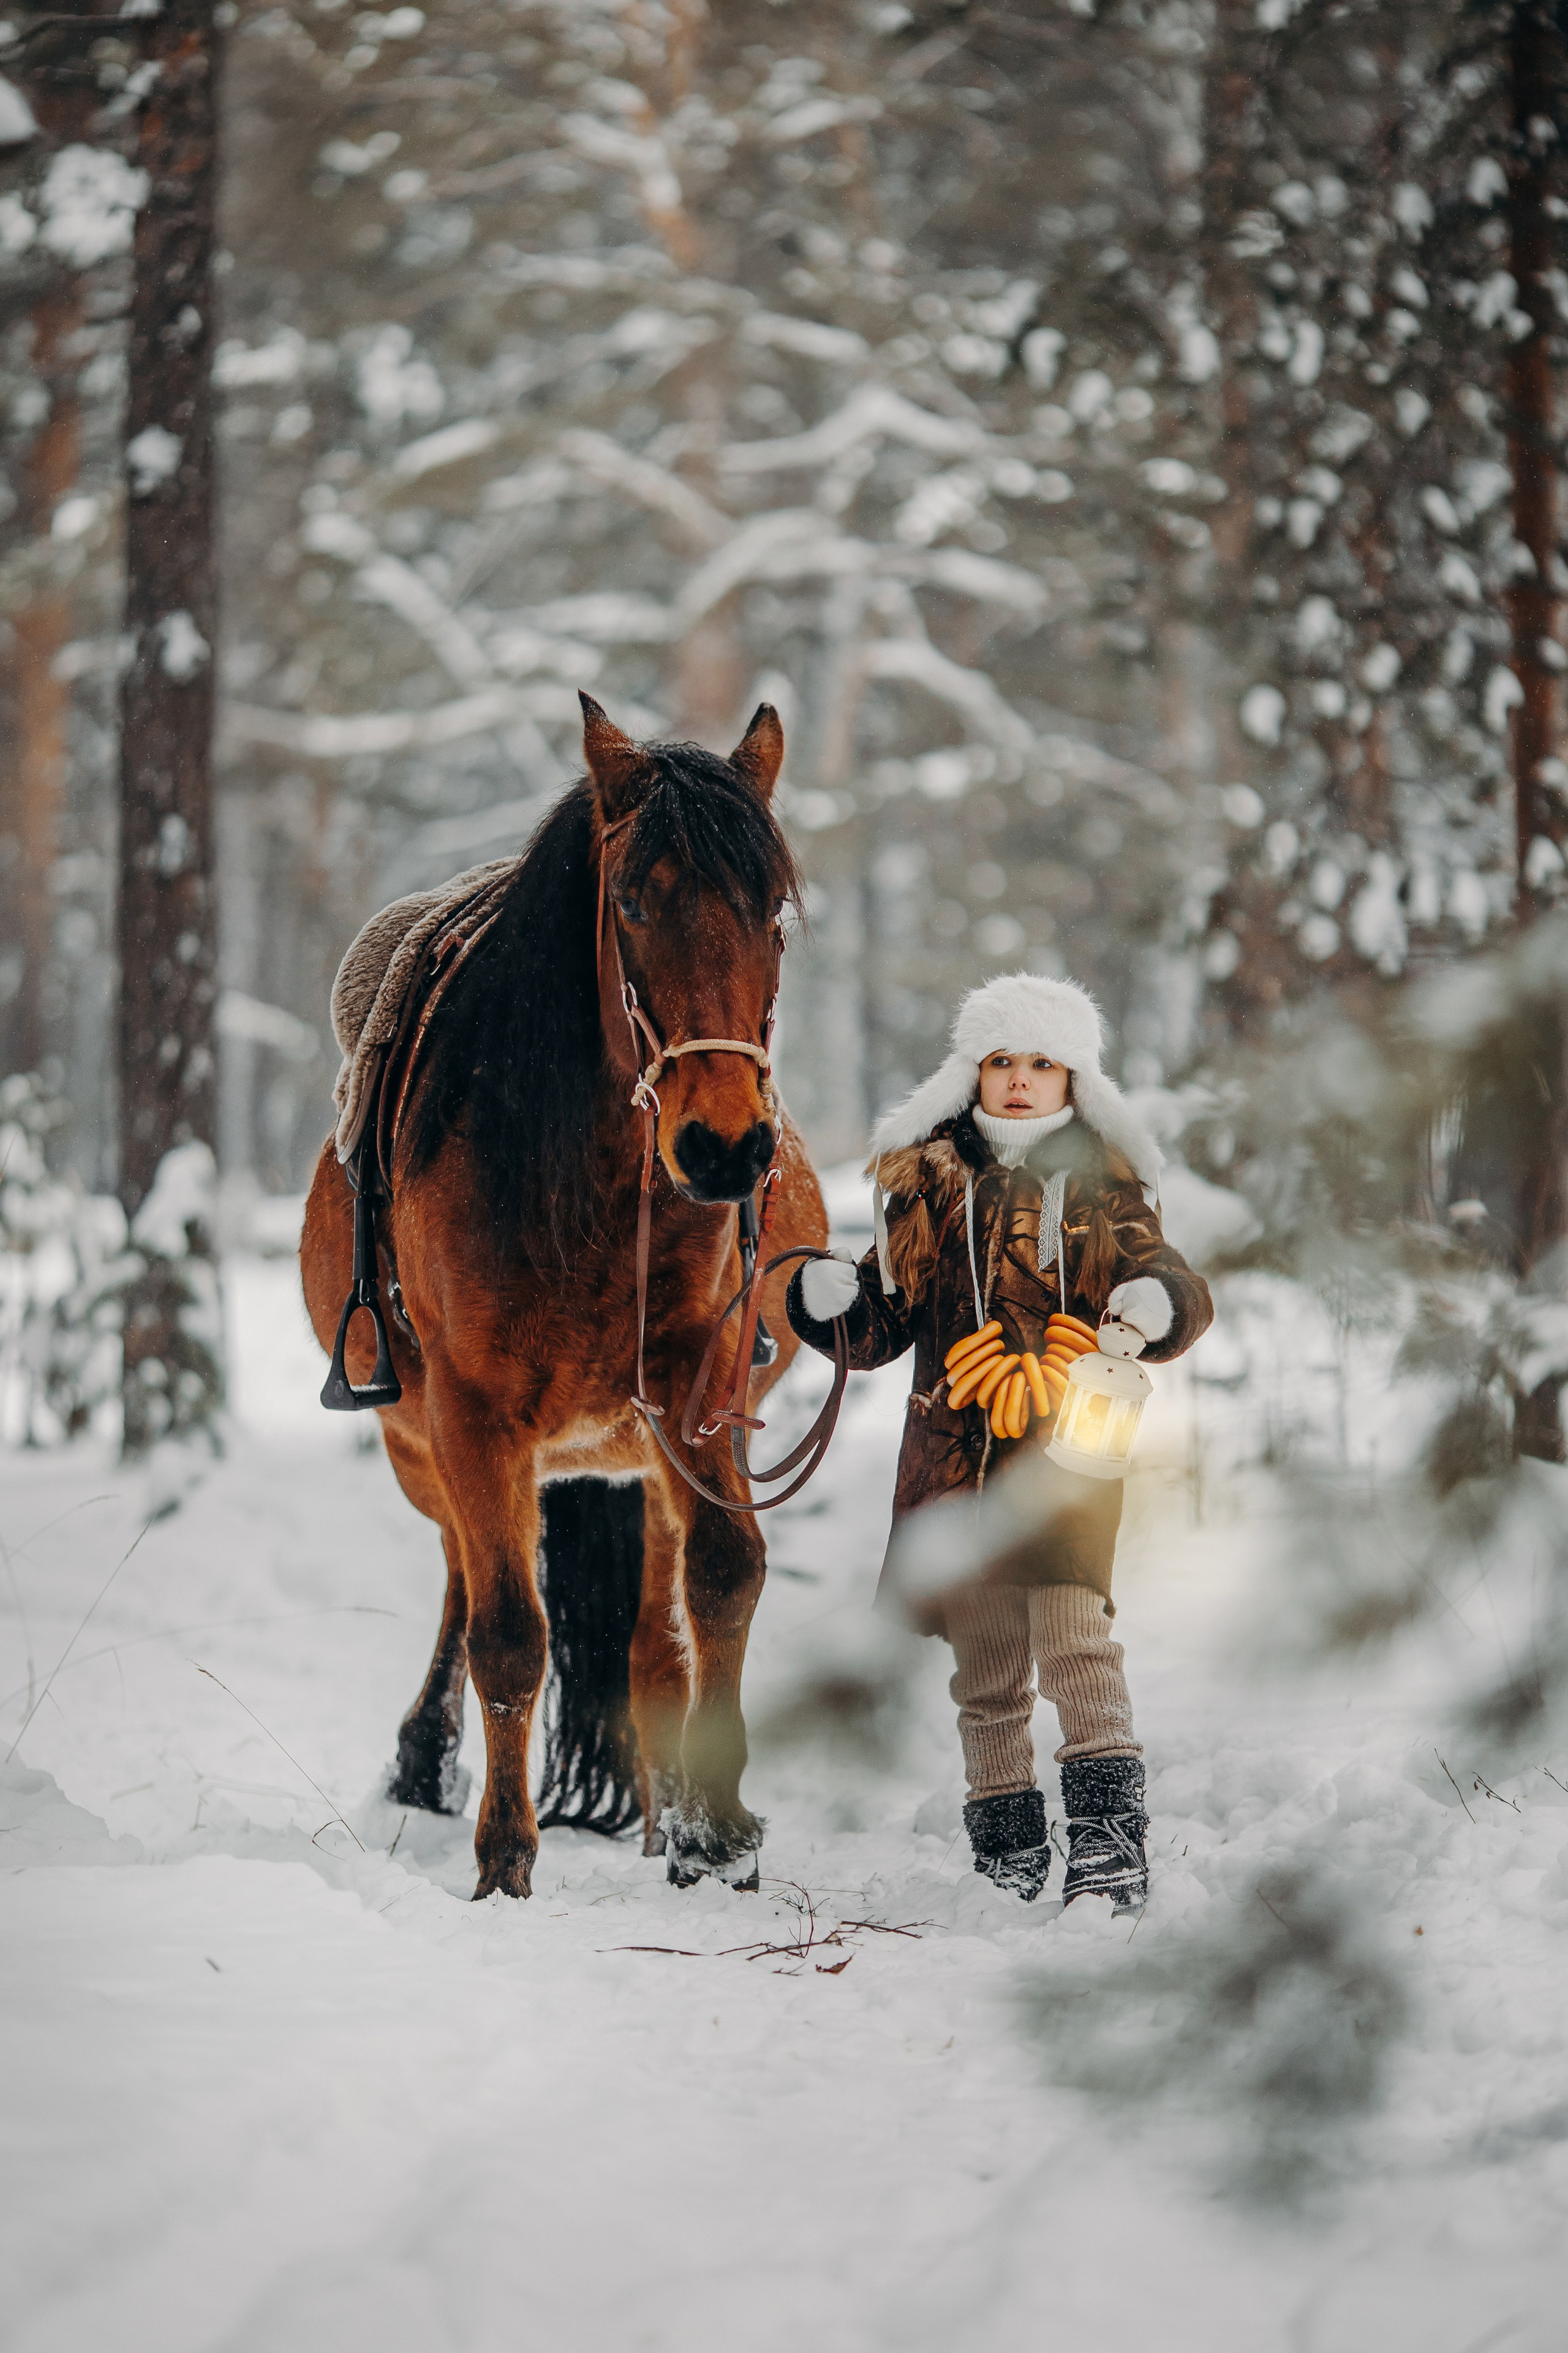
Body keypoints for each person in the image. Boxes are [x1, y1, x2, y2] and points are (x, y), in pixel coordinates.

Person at [785, 972, 1213, 1911]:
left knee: (1074, 1641)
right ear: (971, 1072)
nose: (1020, 1080)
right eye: (1002, 1061)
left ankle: (1106, 1837)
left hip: (1069, 1457)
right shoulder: (926, 1184)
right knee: (984, 1670)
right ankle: (1006, 1838)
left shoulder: (1105, 1183)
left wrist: (1159, 1302)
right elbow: (883, 1322)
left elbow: (1170, 1277)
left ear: (1076, 1080)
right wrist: (828, 1307)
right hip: (949, 1465)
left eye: (1043, 1064)